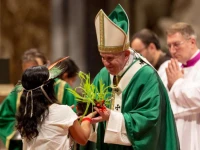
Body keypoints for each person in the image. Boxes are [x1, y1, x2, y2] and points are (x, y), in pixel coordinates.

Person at [87, 4, 180, 150]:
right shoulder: (103, 75)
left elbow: (150, 120)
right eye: (102, 57)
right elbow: (90, 107)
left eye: (110, 58)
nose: (106, 63)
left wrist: (112, 117)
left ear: (126, 54)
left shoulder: (146, 76)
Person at [0, 48, 76, 150]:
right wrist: (21, 130)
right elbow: (4, 117)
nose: (33, 76)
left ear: (47, 66)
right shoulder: (20, 90)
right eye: (27, 72)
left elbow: (75, 124)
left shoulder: (63, 88)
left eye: (36, 69)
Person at [16, 65, 96, 149]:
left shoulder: (26, 115)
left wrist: (67, 116)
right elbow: (82, 139)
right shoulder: (64, 111)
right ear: (49, 88)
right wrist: (86, 120)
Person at [165, 22, 200, 150]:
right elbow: (162, 104)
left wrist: (176, 84)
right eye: (169, 46)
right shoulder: (168, 67)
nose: (172, 50)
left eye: (176, 44)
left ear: (192, 42)